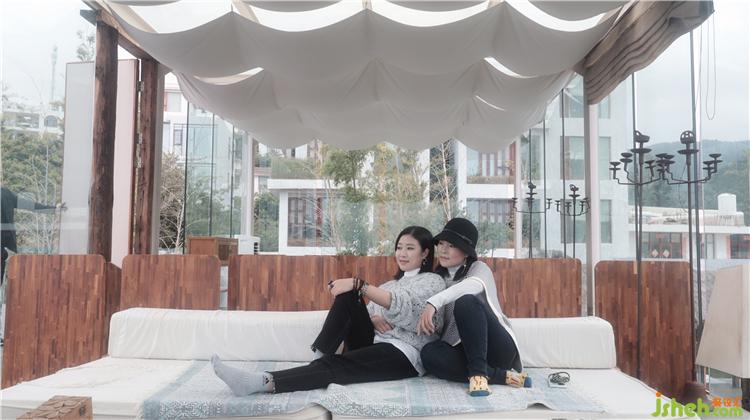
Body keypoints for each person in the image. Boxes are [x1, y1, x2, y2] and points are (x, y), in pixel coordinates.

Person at [211, 226, 445, 396]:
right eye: (399, 247)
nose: (402, 253)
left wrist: (360, 284)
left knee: (340, 363)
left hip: (404, 353)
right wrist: (374, 318)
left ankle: (262, 382)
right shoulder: (389, 285)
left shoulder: (433, 282)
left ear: (425, 253)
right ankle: (319, 360)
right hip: (373, 342)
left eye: (410, 248)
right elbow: (371, 311)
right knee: (348, 295)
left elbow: (410, 310)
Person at [417, 217, 530, 397]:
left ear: (466, 252)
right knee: (429, 354)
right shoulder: (435, 279)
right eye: (441, 243)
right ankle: (501, 376)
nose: (443, 250)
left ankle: (478, 375)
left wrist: (434, 302)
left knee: (466, 301)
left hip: (497, 348)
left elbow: (473, 285)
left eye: (451, 245)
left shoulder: (479, 269)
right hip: (465, 352)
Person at [1, 186, 64, 283]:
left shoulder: (5, 194)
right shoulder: (5, 194)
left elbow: (28, 205)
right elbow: (28, 205)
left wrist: (53, 209)